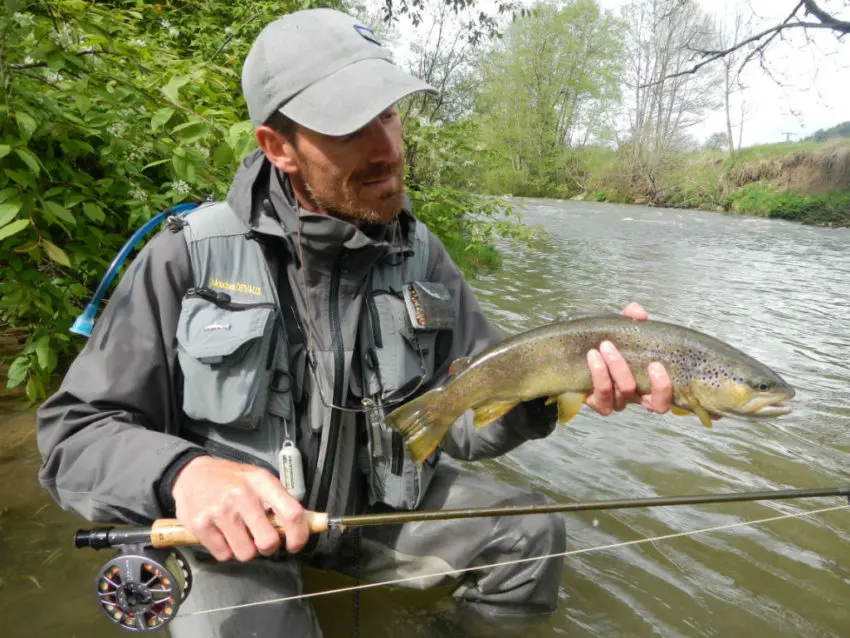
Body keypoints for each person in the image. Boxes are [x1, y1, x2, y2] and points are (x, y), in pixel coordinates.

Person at [36, 8, 674, 637]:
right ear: (277, 147)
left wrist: (553, 386)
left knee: (531, 537)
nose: (387, 148)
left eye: (390, 113)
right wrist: (184, 474)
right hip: (235, 537)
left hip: (371, 510)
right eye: (348, 127)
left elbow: (460, 429)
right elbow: (73, 435)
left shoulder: (423, 255)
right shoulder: (188, 254)